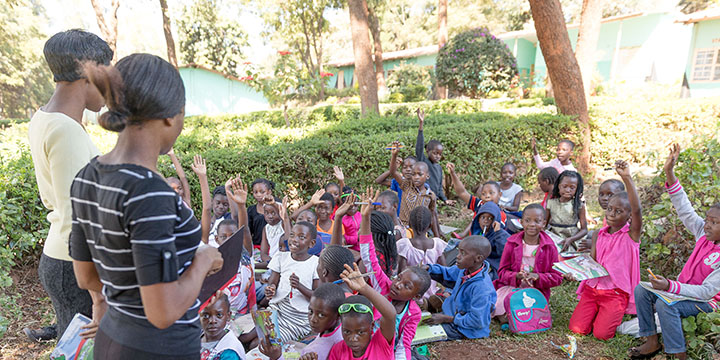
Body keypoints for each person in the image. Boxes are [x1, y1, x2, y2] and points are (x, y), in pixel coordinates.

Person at [69, 53, 224, 359]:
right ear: (170, 115)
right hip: (158, 348)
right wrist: (203, 260)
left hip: (113, 335)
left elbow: (86, 278)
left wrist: (140, 286)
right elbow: (162, 312)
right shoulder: (151, 192)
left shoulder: (86, 176)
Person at [26, 29, 113, 342]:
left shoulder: (45, 118)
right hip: (76, 266)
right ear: (88, 72)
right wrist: (98, 295)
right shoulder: (66, 129)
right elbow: (79, 214)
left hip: (63, 258)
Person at [629, 144, 720, 360]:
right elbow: (684, 208)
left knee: (664, 304)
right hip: (680, 292)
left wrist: (670, 286)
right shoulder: (702, 234)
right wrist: (669, 172)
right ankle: (651, 342)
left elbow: (707, 292)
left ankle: (679, 354)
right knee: (642, 290)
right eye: (707, 219)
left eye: (714, 222)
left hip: (708, 303)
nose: (706, 225)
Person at [568, 160, 642, 340]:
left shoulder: (631, 236)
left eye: (618, 211)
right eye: (609, 209)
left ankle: (608, 315)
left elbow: (638, 210)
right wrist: (575, 271)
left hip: (614, 294)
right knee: (577, 329)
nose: (611, 214)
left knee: (602, 335)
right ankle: (596, 312)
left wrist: (627, 178)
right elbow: (591, 263)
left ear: (629, 216)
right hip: (592, 290)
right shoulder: (598, 234)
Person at [354, 190, 430, 360]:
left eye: (406, 286)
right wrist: (365, 218)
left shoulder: (413, 313)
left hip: (387, 352)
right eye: (399, 278)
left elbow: (403, 345)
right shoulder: (383, 285)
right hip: (364, 345)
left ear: (416, 296)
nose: (397, 284)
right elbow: (368, 255)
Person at [493, 204, 562, 323]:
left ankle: (516, 317)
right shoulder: (511, 243)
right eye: (527, 220)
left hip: (536, 291)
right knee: (502, 312)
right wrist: (516, 276)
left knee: (527, 313)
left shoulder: (550, 247)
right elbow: (502, 272)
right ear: (521, 222)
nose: (532, 224)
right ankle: (509, 317)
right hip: (512, 288)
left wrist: (538, 277)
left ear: (544, 223)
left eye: (537, 221)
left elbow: (557, 277)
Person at [423, 235, 497, 340]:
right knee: (420, 323)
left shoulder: (482, 288)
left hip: (466, 329)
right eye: (459, 251)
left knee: (426, 331)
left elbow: (477, 321)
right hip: (453, 314)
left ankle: (439, 308)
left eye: (463, 253)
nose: (457, 256)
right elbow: (447, 272)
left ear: (478, 258)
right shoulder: (465, 270)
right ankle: (440, 306)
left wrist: (447, 319)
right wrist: (429, 269)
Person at [327, 263, 397, 360]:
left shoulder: (380, 343)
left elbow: (390, 315)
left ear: (371, 326)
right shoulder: (338, 350)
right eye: (347, 331)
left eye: (360, 332)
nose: (353, 338)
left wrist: (364, 288)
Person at [264, 221, 320, 342]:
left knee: (268, 342)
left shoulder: (315, 263)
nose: (294, 240)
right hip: (277, 309)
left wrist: (299, 287)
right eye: (292, 235)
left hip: (297, 319)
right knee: (252, 337)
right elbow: (272, 283)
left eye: (301, 237)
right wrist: (270, 289)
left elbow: (317, 297)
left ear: (312, 243)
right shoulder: (281, 257)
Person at [259, 283, 346, 360]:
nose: (312, 319)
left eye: (321, 315)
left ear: (338, 316)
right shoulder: (336, 328)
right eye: (311, 311)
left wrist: (277, 357)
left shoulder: (320, 351)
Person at [388, 146, 442, 237]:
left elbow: (432, 215)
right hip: (404, 229)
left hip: (421, 232)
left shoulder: (430, 195)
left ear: (427, 176)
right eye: (413, 174)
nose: (416, 177)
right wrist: (394, 155)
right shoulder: (406, 186)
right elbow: (393, 172)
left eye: (420, 174)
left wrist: (437, 238)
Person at [396, 207, 447, 300]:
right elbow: (445, 270)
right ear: (430, 225)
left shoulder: (404, 244)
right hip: (432, 292)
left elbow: (401, 271)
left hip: (410, 293)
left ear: (410, 224)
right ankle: (431, 301)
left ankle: (420, 301)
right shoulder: (437, 244)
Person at [446, 163, 508, 234]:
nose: (487, 196)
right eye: (483, 194)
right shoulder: (479, 204)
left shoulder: (501, 214)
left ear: (500, 194)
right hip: (473, 241)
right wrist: (453, 174)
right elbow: (462, 192)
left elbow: (498, 235)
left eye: (491, 193)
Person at [546, 170, 588, 254]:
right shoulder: (551, 203)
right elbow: (544, 223)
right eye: (564, 186)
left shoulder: (579, 205)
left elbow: (584, 230)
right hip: (554, 235)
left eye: (572, 187)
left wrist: (571, 239)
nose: (568, 190)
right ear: (559, 186)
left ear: (577, 189)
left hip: (571, 237)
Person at [579, 178, 626, 251]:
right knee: (591, 234)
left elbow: (617, 245)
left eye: (610, 194)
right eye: (601, 194)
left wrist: (595, 244)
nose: (604, 198)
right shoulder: (607, 216)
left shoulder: (620, 219)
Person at [415, 108, 450, 204]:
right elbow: (419, 147)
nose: (438, 156)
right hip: (422, 200)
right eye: (435, 153)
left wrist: (445, 199)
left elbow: (439, 188)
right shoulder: (423, 162)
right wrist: (421, 125)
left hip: (433, 201)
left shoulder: (439, 168)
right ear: (427, 151)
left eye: (440, 154)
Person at [468, 202, 510, 280]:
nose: (486, 221)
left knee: (486, 279)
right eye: (483, 217)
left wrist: (498, 233)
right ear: (478, 220)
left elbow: (505, 252)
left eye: (490, 218)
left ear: (496, 220)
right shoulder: (477, 233)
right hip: (478, 265)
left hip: (494, 266)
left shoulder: (501, 235)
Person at [200, 294, 247, 360]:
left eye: (219, 315)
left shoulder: (230, 352)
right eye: (205, 316)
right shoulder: (197, 336)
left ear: (228, 316)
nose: (212, 321)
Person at [259, 196, 291, 268]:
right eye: (266, 213)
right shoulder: (266, 228)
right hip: (271, 261)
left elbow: (284, 217)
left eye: (273, 213)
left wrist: (274, 204)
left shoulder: (284, 224)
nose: (270, 216)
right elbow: (263, 253)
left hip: (285, 261)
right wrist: (271, 261)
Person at [247, 179, 276, 247]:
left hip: (274, 246)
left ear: (269, 192)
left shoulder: (276, 206)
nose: (258, 195)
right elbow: (248, 231)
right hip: (257, 246)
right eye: (255, 192)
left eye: (262, 192)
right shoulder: (251, 210)